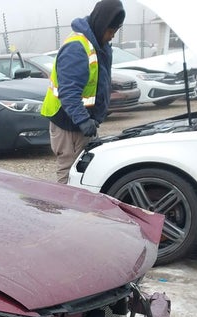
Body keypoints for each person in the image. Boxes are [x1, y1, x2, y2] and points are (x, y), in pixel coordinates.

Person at [42, 0, 126, 183]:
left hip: (82, 121)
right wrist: (82, 119)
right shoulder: (77, 48)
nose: (112, 36)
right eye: (110, 31)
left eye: (115, 31)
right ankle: (66, 208)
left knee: (83, 170)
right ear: (101, 24)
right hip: (68, 122)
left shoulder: (98, 45)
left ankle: (77, 207)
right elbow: (69, 91)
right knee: (69, 170)